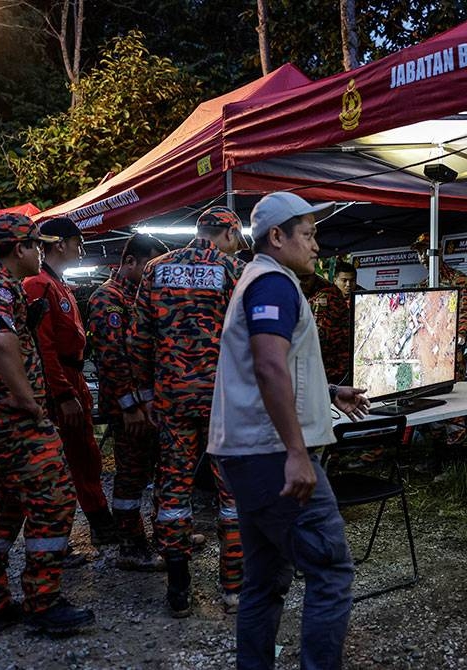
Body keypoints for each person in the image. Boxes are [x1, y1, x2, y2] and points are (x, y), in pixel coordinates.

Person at [209, 191, 369, 670]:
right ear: (276, 237)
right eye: (308, 234)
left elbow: (281, 366)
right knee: (331, 570)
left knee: (265, 579)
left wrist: (331, 389)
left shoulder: (259, 280)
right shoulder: (274, 283)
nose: (316, 246)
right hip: (274, 455)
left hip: (250, 454)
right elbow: (268, 367)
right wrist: (297, 453)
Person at [0, 212, 93, 637]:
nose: (40, 253)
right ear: (21, 249)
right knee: (54, 496)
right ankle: (42, 600)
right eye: (36, 245)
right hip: (7, 419)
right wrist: (25, 398)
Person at [130, 205, 247, 616]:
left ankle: (177, 589)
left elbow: (140, 336)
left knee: (174, 490)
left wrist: (144, 393)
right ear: (229, 234)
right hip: (223, 401)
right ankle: (234, 588)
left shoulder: (157, 269)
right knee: (232, 493)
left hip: (172, 398)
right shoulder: (235, 270)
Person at [24, 217, 118, 547]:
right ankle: (57, 540)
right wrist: (62, 393)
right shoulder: (38, 284)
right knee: (62, 464)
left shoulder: (58, 283)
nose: (81, 249)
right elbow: (43, 346)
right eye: (77, 242)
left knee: (85, 453)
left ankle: (98, 521)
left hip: (71, 375)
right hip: (59, 380)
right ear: (60, 243)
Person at [86, 233, 168, 571]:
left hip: (150, 403)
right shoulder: (108, 298)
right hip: (128, 408)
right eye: (148, 265)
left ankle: (164, 535)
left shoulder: (139, 295)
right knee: (131, 476)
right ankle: (131, 545)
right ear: (129, 261)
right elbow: (112, 357)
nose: (152, 273)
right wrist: (130, 406)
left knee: (156, 469)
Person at [411, 232, 467, 449]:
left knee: (453, 409)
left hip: (451, 356)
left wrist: (458, 338)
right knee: (431, 406)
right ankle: (437, 456)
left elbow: (465, 314)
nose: (422, 256)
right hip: (429, 358)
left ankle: (455, 460)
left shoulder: (458, 281)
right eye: (419, 252)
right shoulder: (421, 287)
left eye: (425, 251)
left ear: (437, 252)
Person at [299, 271, 351, 384]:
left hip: (333, 370)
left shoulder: (324, 297)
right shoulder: (319, 290)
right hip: (333, 367)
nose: (300, 284)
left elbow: (318, 339)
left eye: (303, 280)